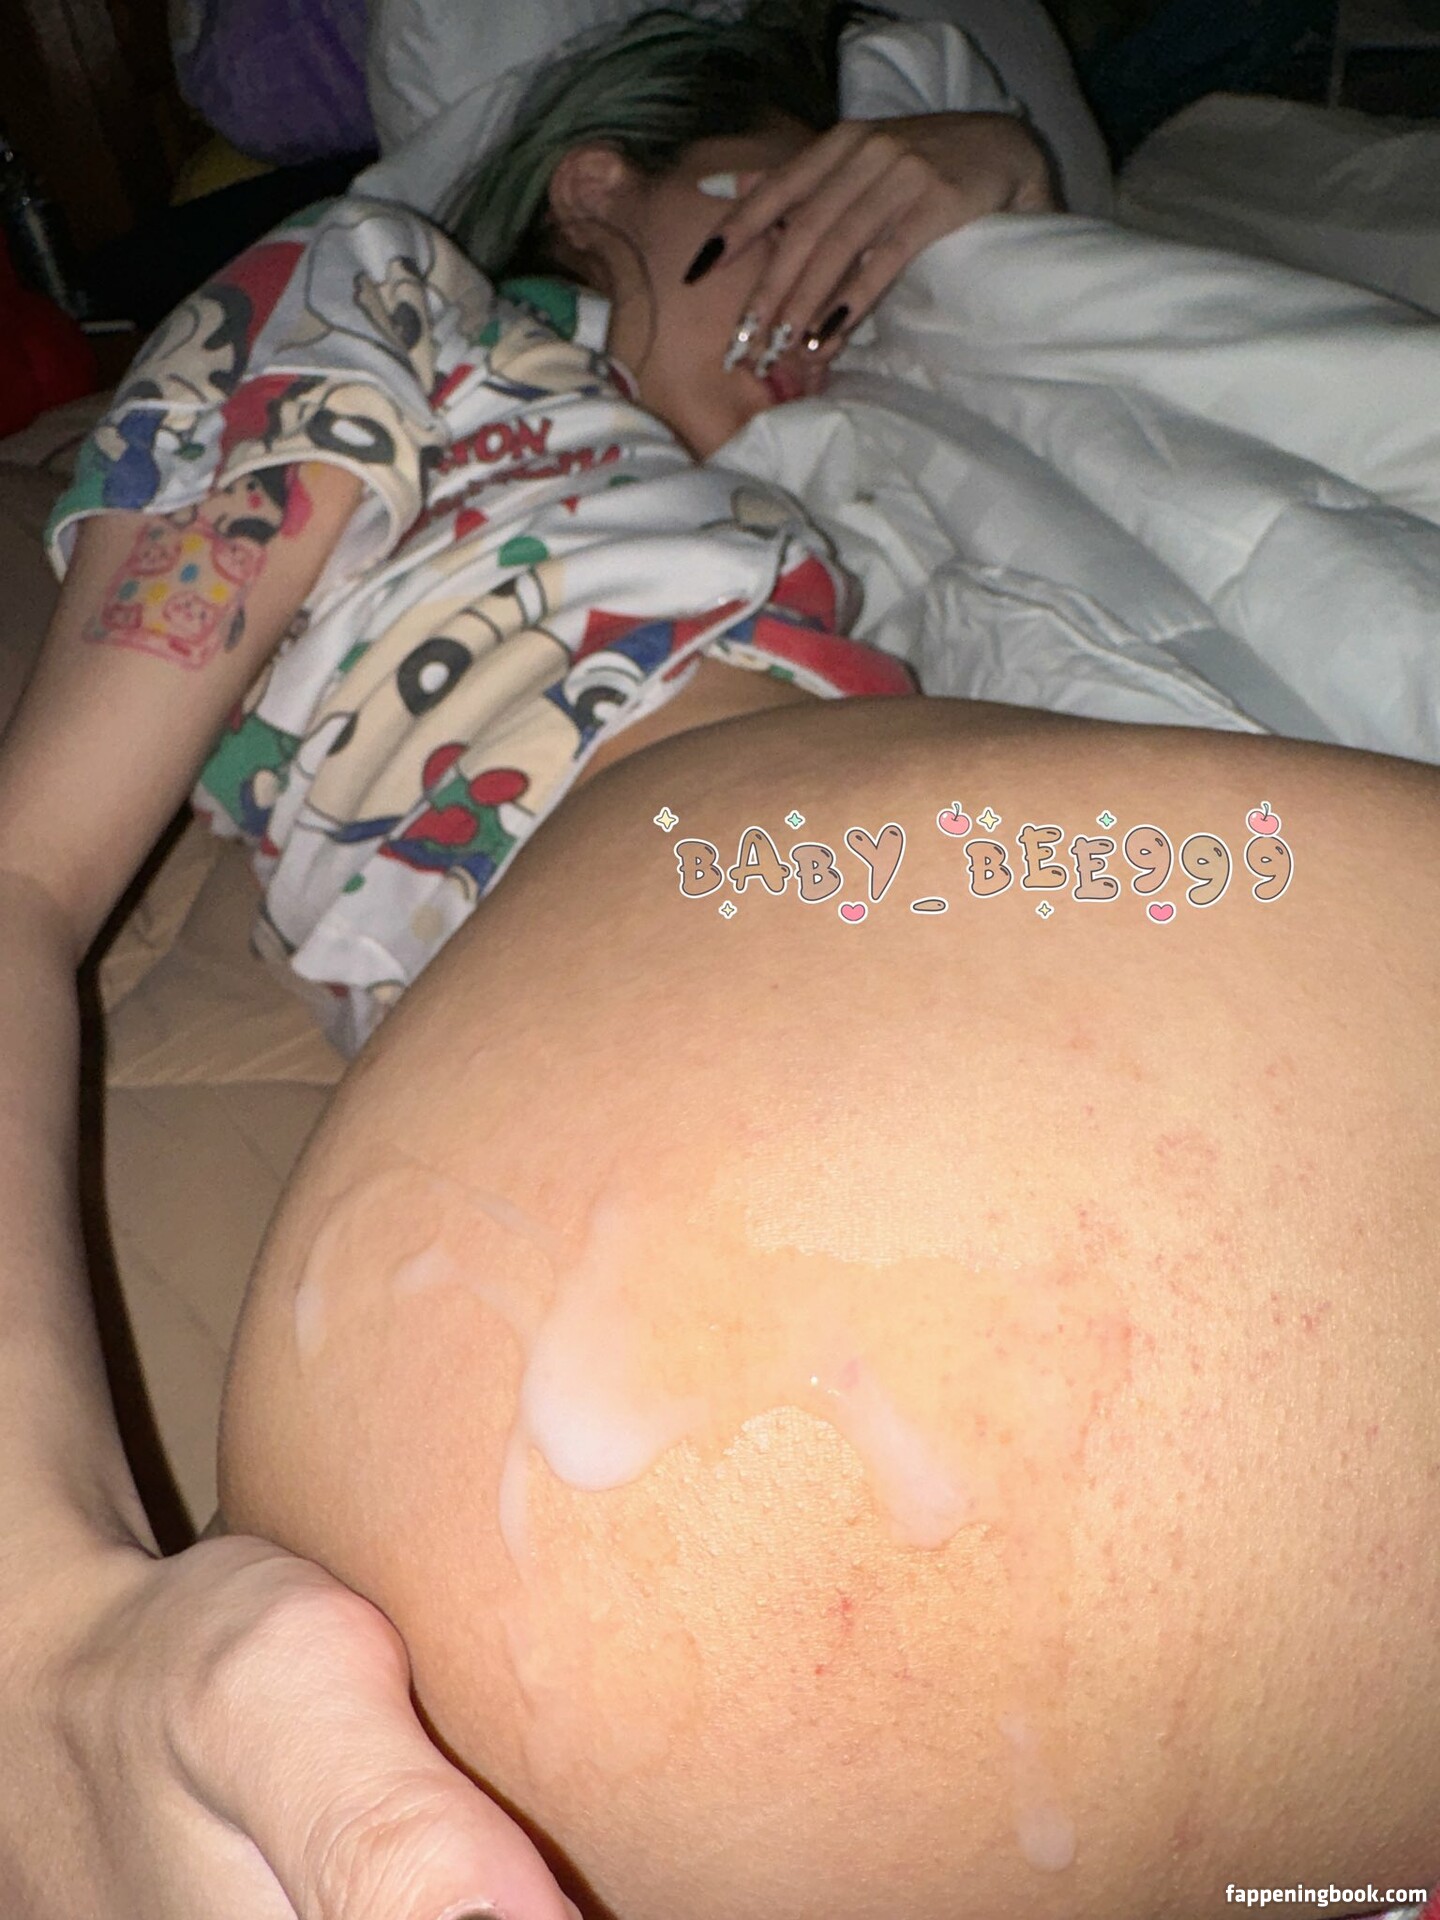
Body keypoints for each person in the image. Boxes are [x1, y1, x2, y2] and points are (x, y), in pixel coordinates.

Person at [0, 5, 1073, 1916]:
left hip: (1041, 926)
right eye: (780, 205)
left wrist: (999, 169)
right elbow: (24, 884)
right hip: (681, 980)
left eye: (874, 251)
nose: (836, 284)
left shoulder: (825, 512)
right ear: (595, 189)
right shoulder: (393, 296)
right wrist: (39, 1638)